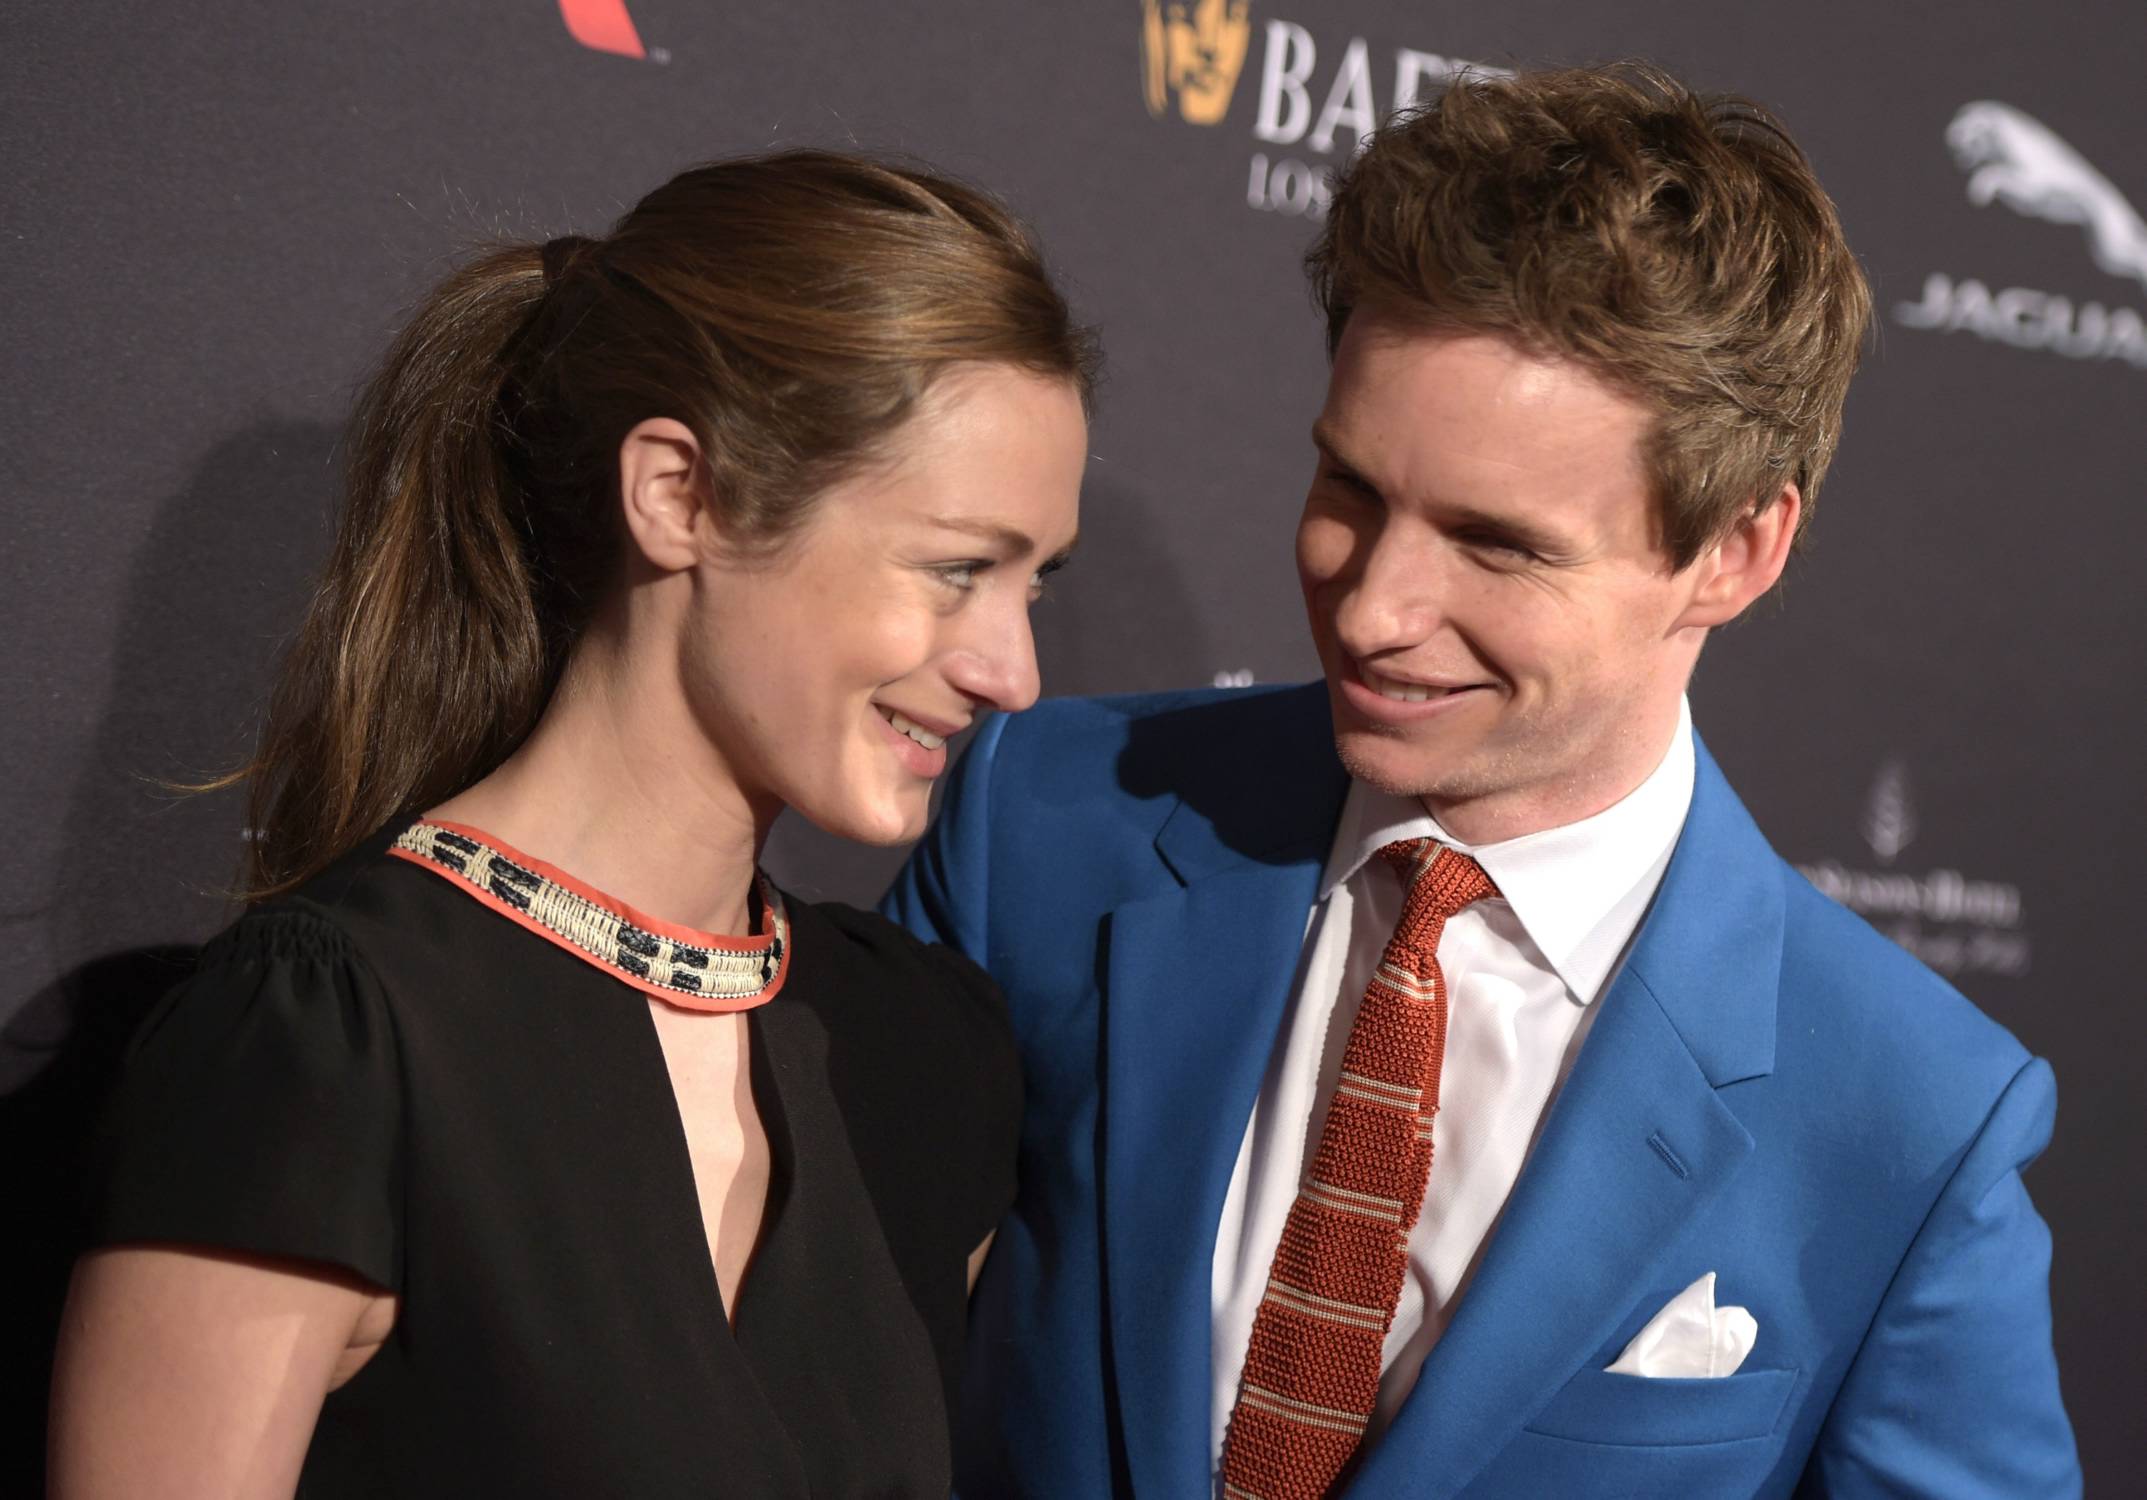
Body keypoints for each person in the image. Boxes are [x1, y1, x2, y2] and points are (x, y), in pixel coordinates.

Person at [887, 65, 2079, 1498]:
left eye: (1497, 543)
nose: (1376, 605)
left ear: (1735, 555)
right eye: (1350, 491)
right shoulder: (1050, 825)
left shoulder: (1910, 1120)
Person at [49, 150, 1094, 1499]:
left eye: (1033, 585)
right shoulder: (332, 1039)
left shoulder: (925, 1046)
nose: (1012, 671)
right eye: (956, 569)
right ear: (681, 495)